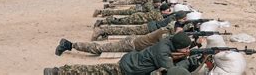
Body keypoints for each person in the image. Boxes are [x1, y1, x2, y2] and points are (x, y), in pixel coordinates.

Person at [43, 32, 192, 75]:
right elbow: (172, 70)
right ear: (178, 46)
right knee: (93, 71)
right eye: (184, 48)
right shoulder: (163, 52)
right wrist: (187, 60)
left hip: (131, 62)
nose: (186, 50)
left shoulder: (168, 42)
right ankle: (57, 71)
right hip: (128, 68)